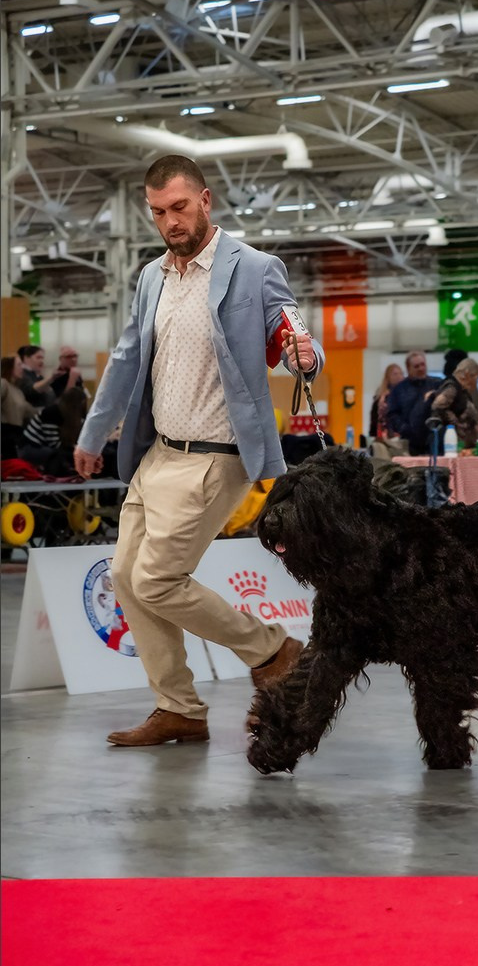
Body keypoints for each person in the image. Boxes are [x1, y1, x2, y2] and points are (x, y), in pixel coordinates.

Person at [73, 153, 325, 747]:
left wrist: (302, 354)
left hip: (221, 453)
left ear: (206, 201)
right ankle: (178, 707)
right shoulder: (151, 277)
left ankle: (274, 652)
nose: (171, 222)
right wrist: (92, 434)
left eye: (180, 208)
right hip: (158, 452)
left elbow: (291, 329)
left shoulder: (256, 268)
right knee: (126, 578)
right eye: (159, 212)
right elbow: (127, 359)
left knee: (158, 578)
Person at [18, 386, 88, 475]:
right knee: (59, 455)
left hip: (42, 447)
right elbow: (54, 444)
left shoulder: (65, 416)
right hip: (30, 448)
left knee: (67, 455)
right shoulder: (51, 413)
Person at [385, 351, 441, 456]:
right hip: (409, 445)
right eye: (416, 366)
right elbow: (392, 415)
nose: (421, 368)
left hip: (435, 442)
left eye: (423, 365)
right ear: (408, 368)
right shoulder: (399, 390)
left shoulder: (437, 384)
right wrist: (405, 429)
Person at [428, 357, 478, 452]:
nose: (476, 382)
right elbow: (437, 406)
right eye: (476, 378)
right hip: (455, 447)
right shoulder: (452, 388)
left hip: (464, 447)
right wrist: (455, 423)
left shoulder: (462, 390)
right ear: (468, 374)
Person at [1, 355, 38, 458]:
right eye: (19, 364)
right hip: (5, 434)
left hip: (16, 434)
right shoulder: (3, 384)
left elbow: (30, 411)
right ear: (9, 367)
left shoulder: (18, 391)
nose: (22, 368)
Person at [369, 362, 404, 440]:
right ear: (388, 377)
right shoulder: (381, 398)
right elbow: (374, 422)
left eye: (401, 374)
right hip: (384, 435)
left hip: (402, 436)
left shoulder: (406, 396)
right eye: (395, 374)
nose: (399, 376)